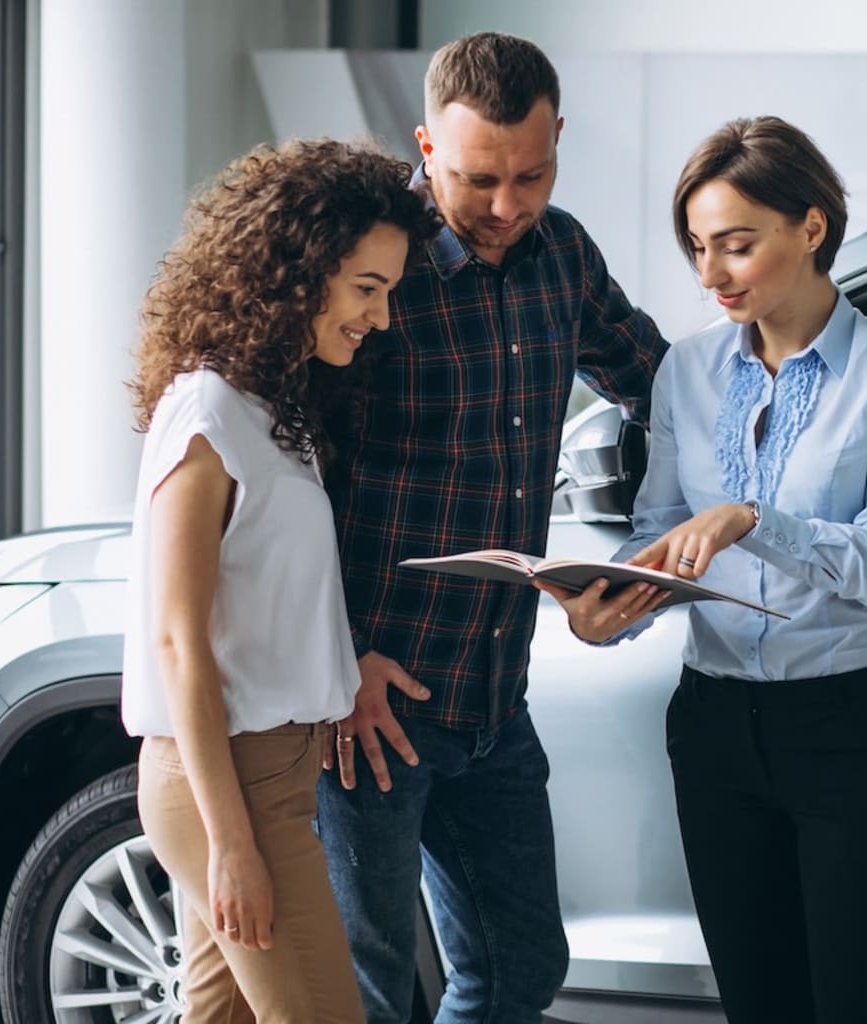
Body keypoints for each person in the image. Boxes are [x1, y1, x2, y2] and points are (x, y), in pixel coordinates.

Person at [541, 116, 867, 1024]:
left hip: (850, 730)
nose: (710, 275)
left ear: (811, 228)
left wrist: (754, 521)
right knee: (758, 1006)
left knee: (857, 1004)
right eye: (697, 247)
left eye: (736, 245)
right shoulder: (684, 372)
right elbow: (657, 528)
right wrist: (612, 605)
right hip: (715, 728)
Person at [316, 32, 667, 1024]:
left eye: (534, 173)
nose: (511, 205)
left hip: (492, 695)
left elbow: (662, 389)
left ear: (559, 138)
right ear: (425, 149)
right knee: (366, 994)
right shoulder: (373, 271)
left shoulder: (564, 255)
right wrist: (335, 659)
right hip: (369, 705)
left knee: (522, 970)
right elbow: (290, 483)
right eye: (480, 180)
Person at [122, 138, 439, 1022]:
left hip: (274, 775)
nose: (379, 319)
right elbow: (178, 638)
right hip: (227, 783)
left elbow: (273, 594)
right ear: (296, 273)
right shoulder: (207, 412)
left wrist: (340, 667)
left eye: (389, 294)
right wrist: (231, 844)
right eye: (365, 290)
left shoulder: (275, 410)